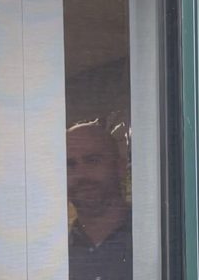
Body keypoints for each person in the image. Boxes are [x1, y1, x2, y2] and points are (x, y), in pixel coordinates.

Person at [67, 118, 132, 280]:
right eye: (70, 164)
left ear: (120, 168)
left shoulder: (157, 237)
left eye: (92, 160)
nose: (81, 174)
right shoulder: (52, 250)